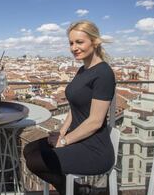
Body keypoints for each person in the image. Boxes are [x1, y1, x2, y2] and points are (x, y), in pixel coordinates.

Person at [23, 20, 116, 194]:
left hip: (94, 148)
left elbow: (95, 121)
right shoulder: (82, 70)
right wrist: (62, 133)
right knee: (29, 150)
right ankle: (78, 190)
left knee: (35, 161)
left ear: (95, 42)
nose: (74, 47)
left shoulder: (104, 74)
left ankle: (76, 191)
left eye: (79, 42)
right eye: (71, 43)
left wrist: (64, 141)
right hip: (77, 138)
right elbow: (74, 109)